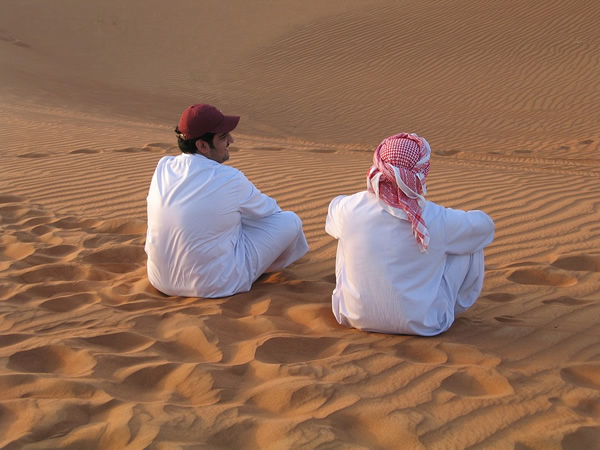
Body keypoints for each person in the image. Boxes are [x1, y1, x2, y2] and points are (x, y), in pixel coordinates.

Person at [325, 133, 495, 336]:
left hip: (352, 316)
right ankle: (450, 307)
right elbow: (485, 226)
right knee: (471, 240)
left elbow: (336, 209)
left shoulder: (347, 207)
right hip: (424, 323)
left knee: (344, 233)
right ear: (422, 171)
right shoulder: (437, 218)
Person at [145, 103, 309, 298]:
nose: (231, 140)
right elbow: (271, 213)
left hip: (160, 281)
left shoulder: (163, 167)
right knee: (290, 220)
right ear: (202, 145)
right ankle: (262, 271)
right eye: (223, 137)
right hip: (214, 286)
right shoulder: (230, 178)